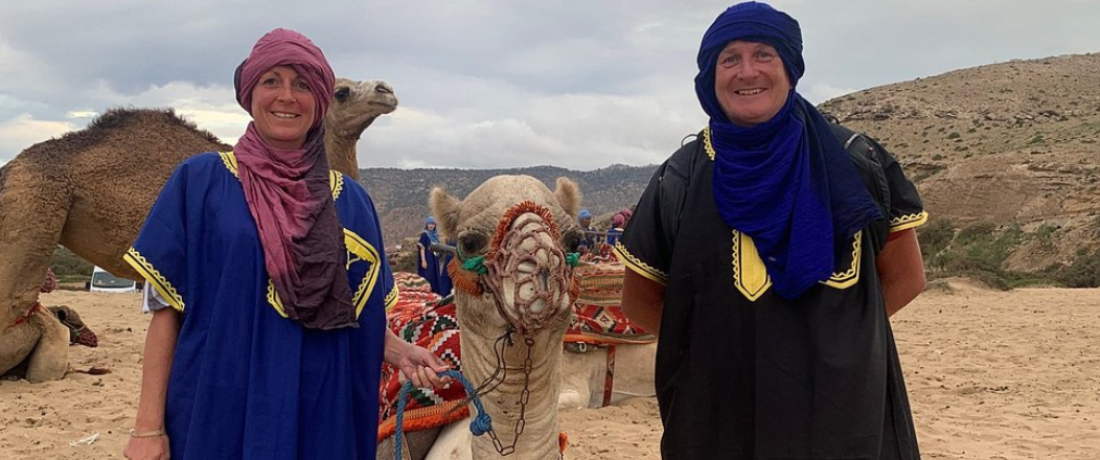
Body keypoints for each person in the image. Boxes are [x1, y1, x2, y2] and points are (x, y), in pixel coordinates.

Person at [615, 3, 928, 459]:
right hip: (717, 416)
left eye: (763, 54)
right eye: (729, 59)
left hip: (842, 415)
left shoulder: (856, 162)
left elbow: (905, 277)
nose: (747, 72)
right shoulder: (679, 179)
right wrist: (714, 345)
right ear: (709, 75)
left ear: (790, 68)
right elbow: (639, 300)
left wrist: (834, 342)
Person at [122, 28, 449, 460]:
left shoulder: (350, 202)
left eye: (302, 85)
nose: (286, 97)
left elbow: (355, 312)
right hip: (219, 399)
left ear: (318, 100)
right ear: (250, 92)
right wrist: (148, 428)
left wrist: (402, 352)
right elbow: (165, 312)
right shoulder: (200, 182)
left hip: (322, 402)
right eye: (271, 81)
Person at [417, 216, 445, 295]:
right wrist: (423, 261)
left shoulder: (435, 236)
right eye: (429, 224)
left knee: (435, 275)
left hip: (434, 259)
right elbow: (422, 248)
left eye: (432, 224)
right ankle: (428, 294)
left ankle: (435, 293)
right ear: (427, 225)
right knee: (428, 276)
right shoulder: (425, 235)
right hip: (427, 258)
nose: (431, 225)